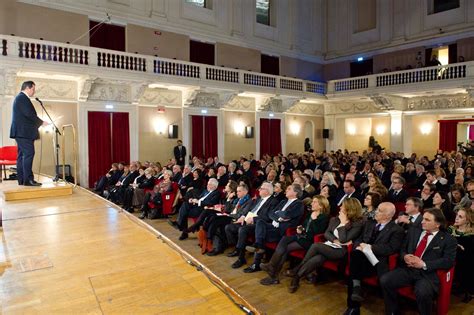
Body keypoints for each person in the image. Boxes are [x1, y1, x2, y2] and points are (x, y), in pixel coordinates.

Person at [380, 208, 457, 315]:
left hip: (427, 274)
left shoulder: (448, 240)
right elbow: (402, 249)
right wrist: (405, 256)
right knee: (385, 280)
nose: (422, 221)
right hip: (408, 269)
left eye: (427, 220)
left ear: (437, 224)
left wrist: (424, 264)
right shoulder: (413, 231)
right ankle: (392, 311)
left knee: (422, 292)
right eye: (423, 218)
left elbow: (449, 261)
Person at [287, 198, 364, 293]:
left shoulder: (357, 224)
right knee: (318, 259)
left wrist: (343, 223)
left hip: (341, 251)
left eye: (343, 206)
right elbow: (327, 233)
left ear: (350, 208)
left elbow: (344, 239)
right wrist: (335, 240)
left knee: (316, 246)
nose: (340, 207)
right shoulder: (335, 219)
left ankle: (297, 269)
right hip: (329, 245)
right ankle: (296, 278)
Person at [344, 202, 404, 314]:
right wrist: (358, 246)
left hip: (376, 263)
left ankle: (353, 307)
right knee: (356, 256)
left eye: (380, 211)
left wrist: (370, 247)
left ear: (388, 215)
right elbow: (359, 239)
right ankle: (353, 303)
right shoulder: (369, 223)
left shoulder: (396, 230)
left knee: (354, 268)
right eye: (377, 209)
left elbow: (391, 249)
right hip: (361, 259)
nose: (376, 212)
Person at [259, 195, 330, 285]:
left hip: (308, 241)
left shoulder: (323, 218)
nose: (312, 203)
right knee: (284, 239)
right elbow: (304, 226)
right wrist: (300, 228)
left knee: (285, 249)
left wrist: (314, 220)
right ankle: (272, 268)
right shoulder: (310, 213)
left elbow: (316, 233)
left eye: (314, 202)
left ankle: (273, 272)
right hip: (300, 236)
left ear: (321, 205)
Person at [9, 81, 49, 186]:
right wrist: (41, 122)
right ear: (28, 88)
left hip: (21, 132)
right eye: (33, 89)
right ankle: (28, 180)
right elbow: (29, 114)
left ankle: (22, 180)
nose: (34, 92)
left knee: (21, 155)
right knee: (29, 153)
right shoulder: (22, 98)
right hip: (23, 133)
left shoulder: (20, 98)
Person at [447, 208, 473, 303]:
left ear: (467, 220)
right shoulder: (450, 229)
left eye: (460, 217)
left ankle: (467, 291)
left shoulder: (470, 235)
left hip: (464, 261)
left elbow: (468, 253)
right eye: (457, 215)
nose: (456, 218)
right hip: (450, 257)